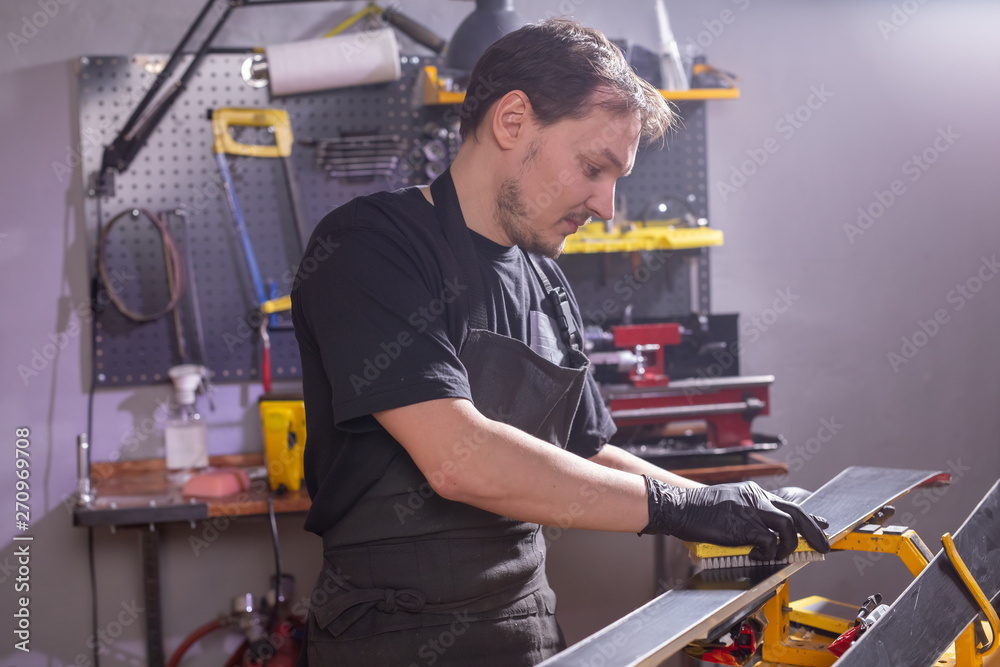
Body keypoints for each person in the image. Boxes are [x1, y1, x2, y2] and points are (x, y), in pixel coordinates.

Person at [290, 17, 830, 666]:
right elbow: (459, 457)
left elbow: (585, 453)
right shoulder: (372, 247)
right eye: (594, 167)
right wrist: (679, 506)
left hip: (529, 632)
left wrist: (718, 505)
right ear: (513, 122)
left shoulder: (546, 281)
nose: (607, 206)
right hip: (395, 637)